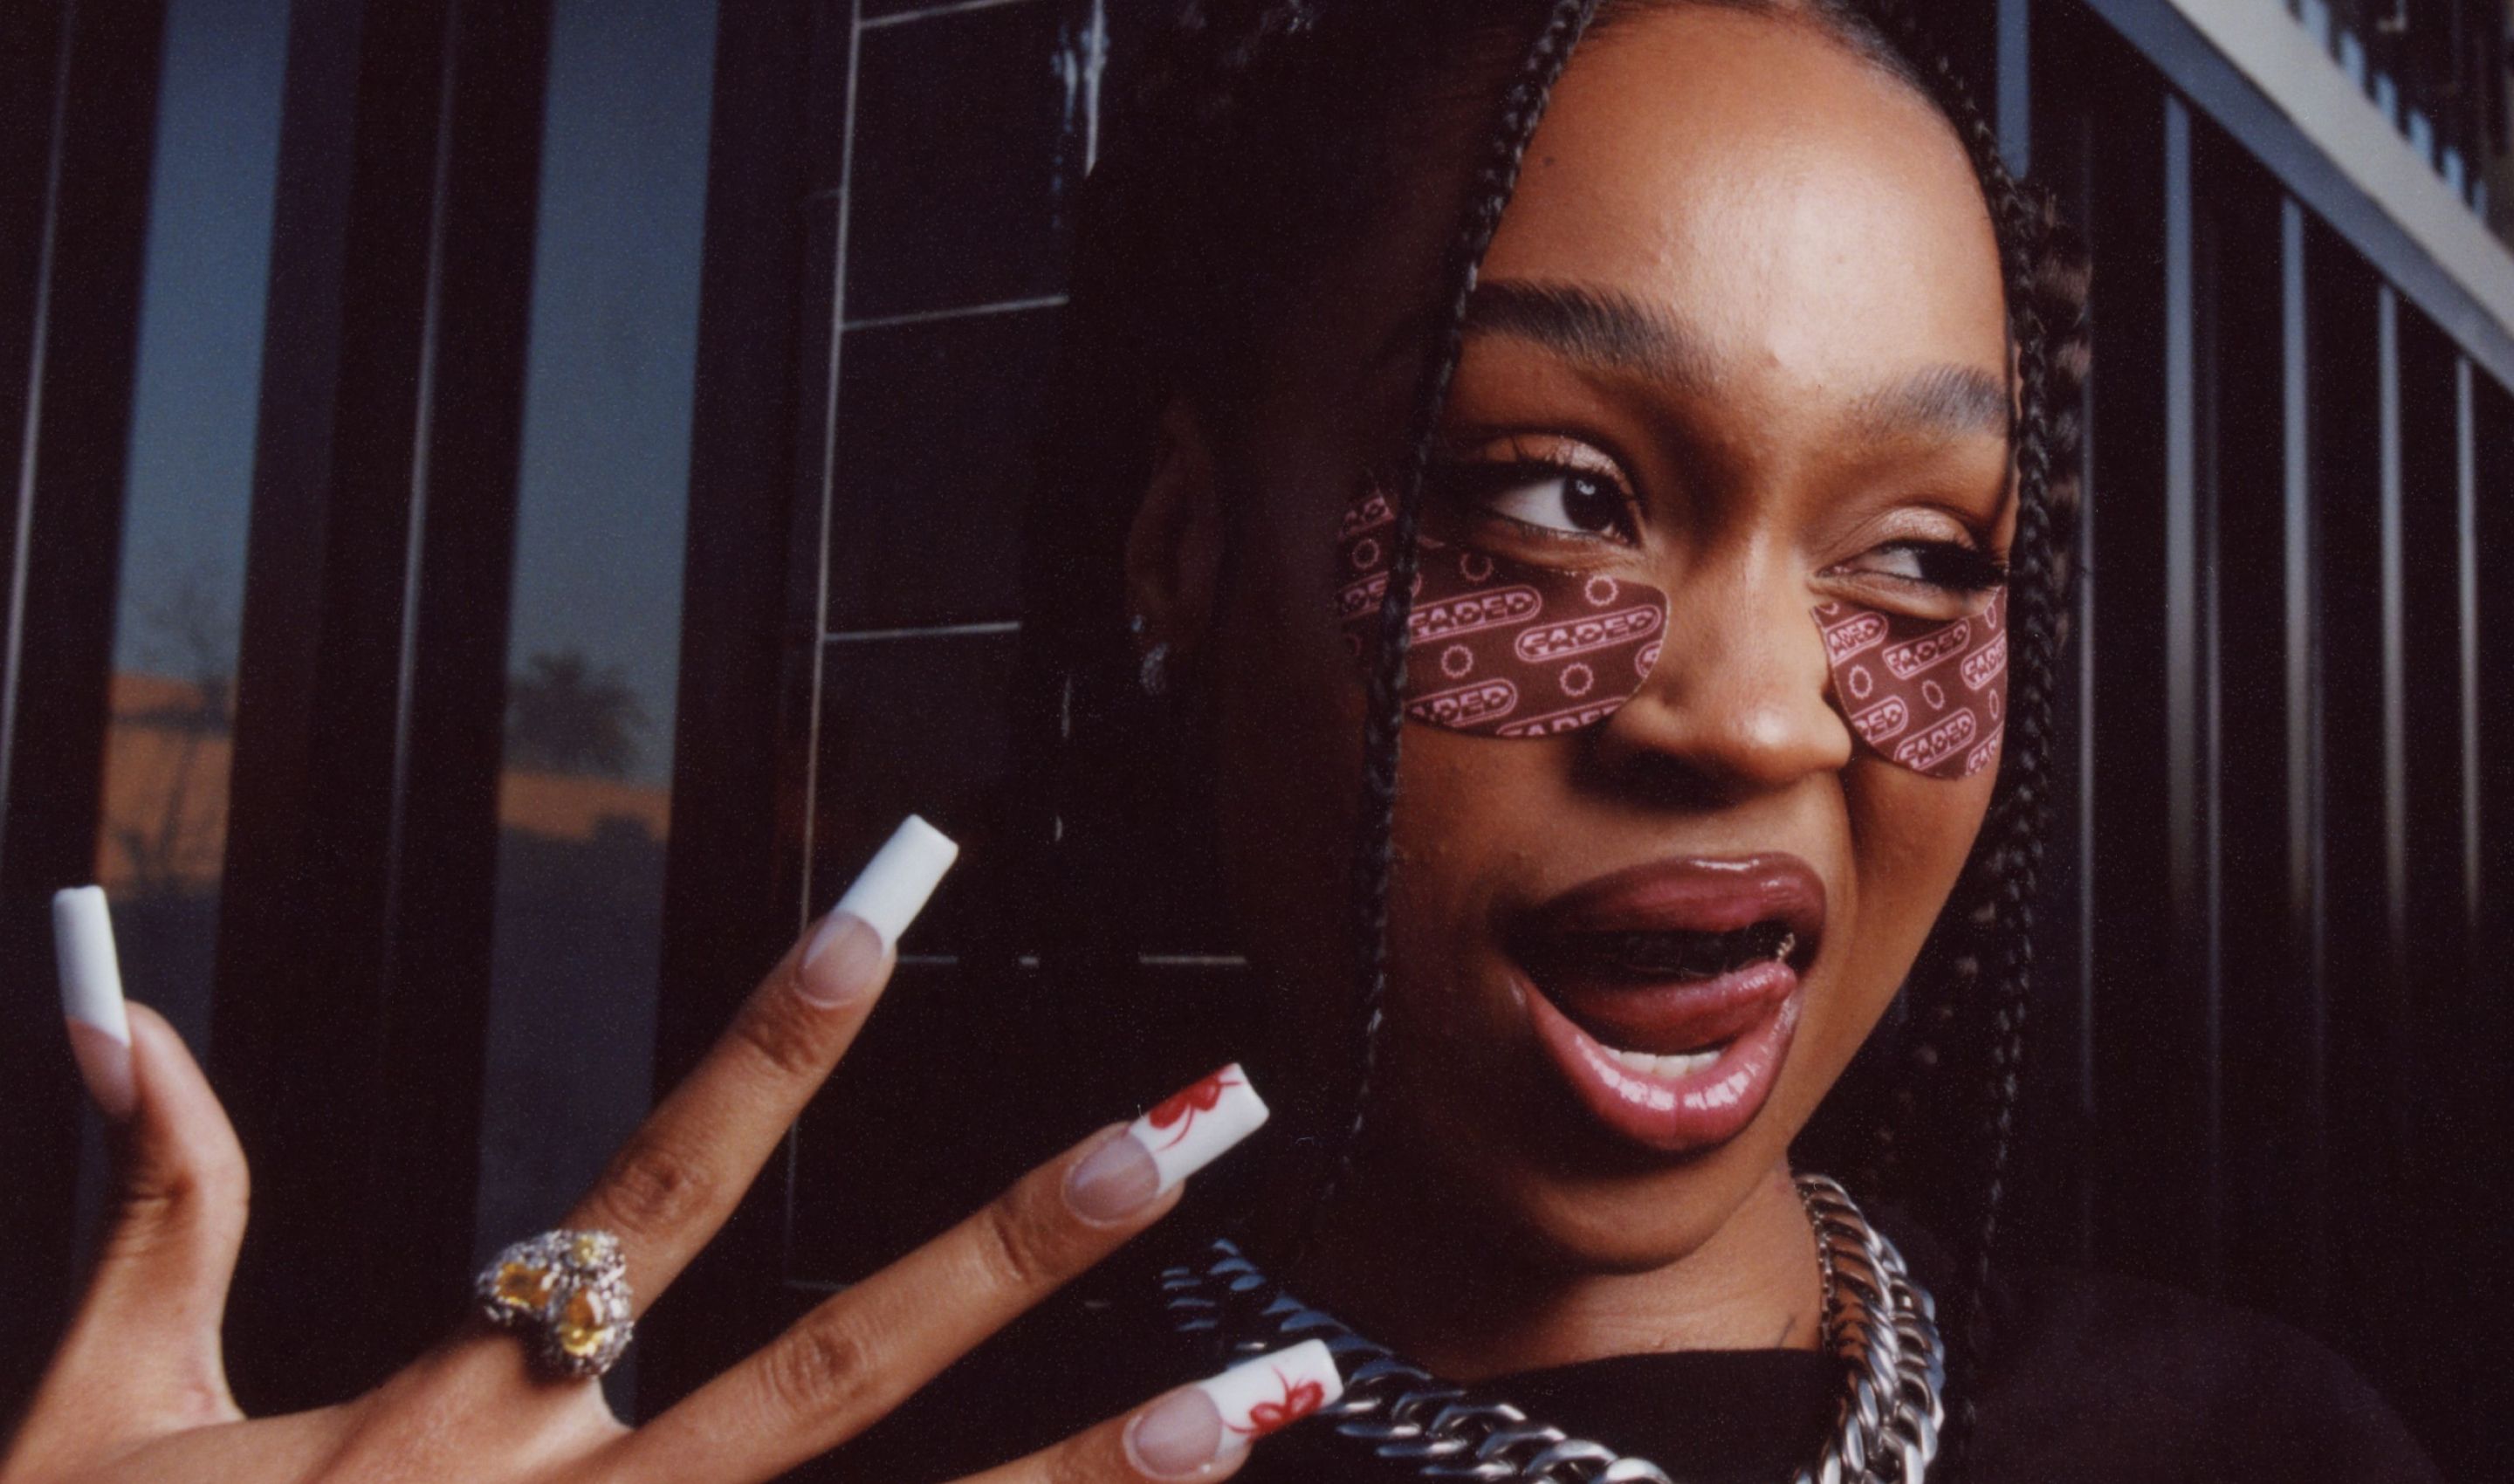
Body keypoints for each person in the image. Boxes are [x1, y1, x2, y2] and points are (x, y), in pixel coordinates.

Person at [3, 2, 2443, 1481]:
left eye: (1921, 554)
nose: (1764, 714)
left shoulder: (2280, 1446)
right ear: (1187, 545)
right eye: (1559, 496)